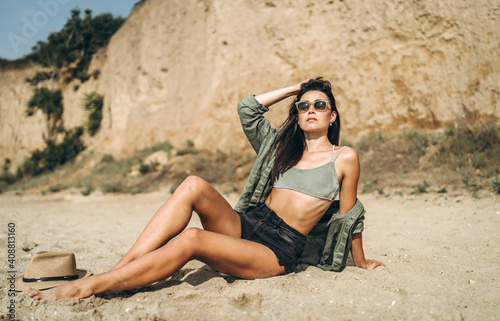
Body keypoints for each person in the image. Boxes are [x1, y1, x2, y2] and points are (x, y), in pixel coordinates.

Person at [26, 78, 385, 300]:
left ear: (332, 115)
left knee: (193, 239)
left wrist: (360, 260)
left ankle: (92, 286)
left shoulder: (344, 157)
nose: (310, 110)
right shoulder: (281, 146)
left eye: (319, 105)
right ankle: (120, 270)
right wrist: (298, 87)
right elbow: (248, 109)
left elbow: (347, 215)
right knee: (193, 184)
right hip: (249, 224)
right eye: (304, 105)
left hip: (277, 249)